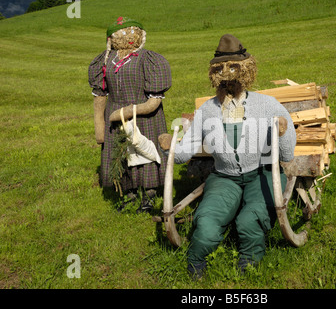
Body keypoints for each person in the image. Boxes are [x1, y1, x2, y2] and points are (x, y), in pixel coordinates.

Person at [159, 34, 296, 278]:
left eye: (233, 70)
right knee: (207, 224)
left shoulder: (267, 105)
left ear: (245, 71)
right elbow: (184, 153)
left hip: (260, 174)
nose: (227, 79)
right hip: (224, 178)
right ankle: (196, 262)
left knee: (250, 221)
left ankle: (249, 262)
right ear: (215, 75)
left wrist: (283, 131)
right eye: (221, 71)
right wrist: (171, 147)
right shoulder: (207, 110)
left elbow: (287, 153)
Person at [88, 17, 171, 210]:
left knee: (145, 151)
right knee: (122, 154)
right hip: (114, 114)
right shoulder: (105, 60)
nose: (130, 37)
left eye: (134, 32)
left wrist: (129, 111)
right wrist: (99, 128)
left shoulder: (148, 59)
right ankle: (129, 193)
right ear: (113, 38)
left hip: (145, 116)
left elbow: (154, 100)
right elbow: (100, 95)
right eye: (124, 33)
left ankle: (149, 194)